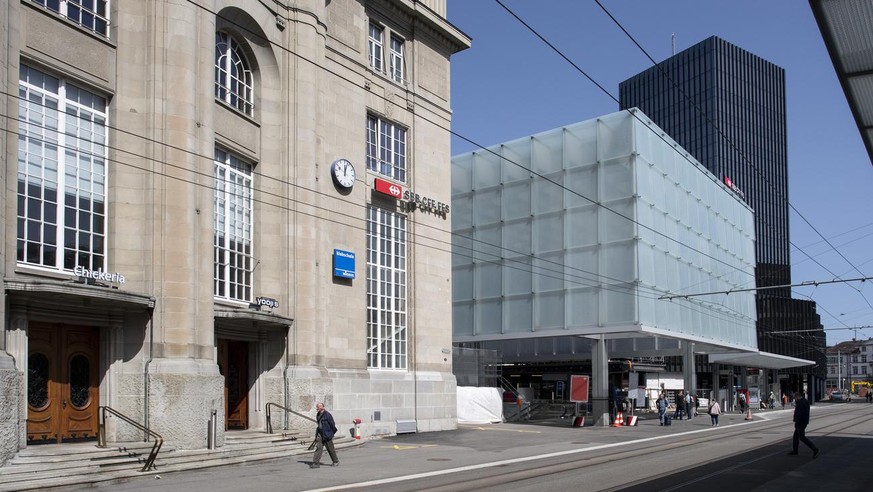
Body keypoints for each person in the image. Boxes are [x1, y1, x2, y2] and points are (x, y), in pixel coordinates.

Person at [788, 392, 819, 458]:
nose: (795, 399)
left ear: (797, 396)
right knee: (796, 437)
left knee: (802, 437)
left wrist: (797, 422)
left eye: (795, 397)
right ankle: (795, 450)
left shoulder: (800, 403)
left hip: (800, 422)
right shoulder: (805, 401)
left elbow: (800, 413)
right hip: (804, 421)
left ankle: (815, 449)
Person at [310, 402, 339, 468]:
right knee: (318, 448)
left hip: (327, 434)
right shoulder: (318, 414)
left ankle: (335, 461)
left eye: (318, 407)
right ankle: (316, 463)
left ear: (322, 407)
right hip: (320, 434)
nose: (317, 408)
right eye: (317, 407)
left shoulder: (328, 415)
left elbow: (332, 425)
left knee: (330, 449)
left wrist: (330, 433)